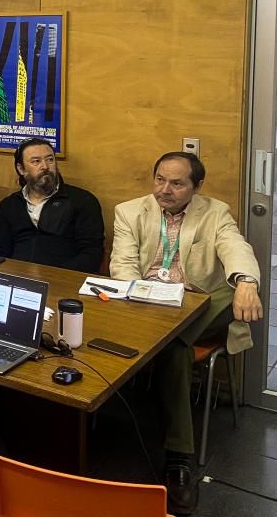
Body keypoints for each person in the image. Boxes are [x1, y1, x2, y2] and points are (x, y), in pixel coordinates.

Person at [110, 151, 262, 516]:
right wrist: (144, 301)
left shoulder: (216, 212)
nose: (165, 189)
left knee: (226, 292)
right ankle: (180, 460)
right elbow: (123, 267)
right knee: (175, 348)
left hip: (200, 301)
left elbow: (234, 246)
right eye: (160, 179)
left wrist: (247, 281)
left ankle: (177, 460)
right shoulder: (130, 211)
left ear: (197, 186)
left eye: (177, 183)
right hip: (148, 305)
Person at [0, 137, 104, 272]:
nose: (45, 166)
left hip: (65, 279)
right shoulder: (9, 205)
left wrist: (55, 277)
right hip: (17, 278)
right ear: (21, 169)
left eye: (50, 160)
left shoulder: (82, 201)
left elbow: (92, 255)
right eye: (36, 161)